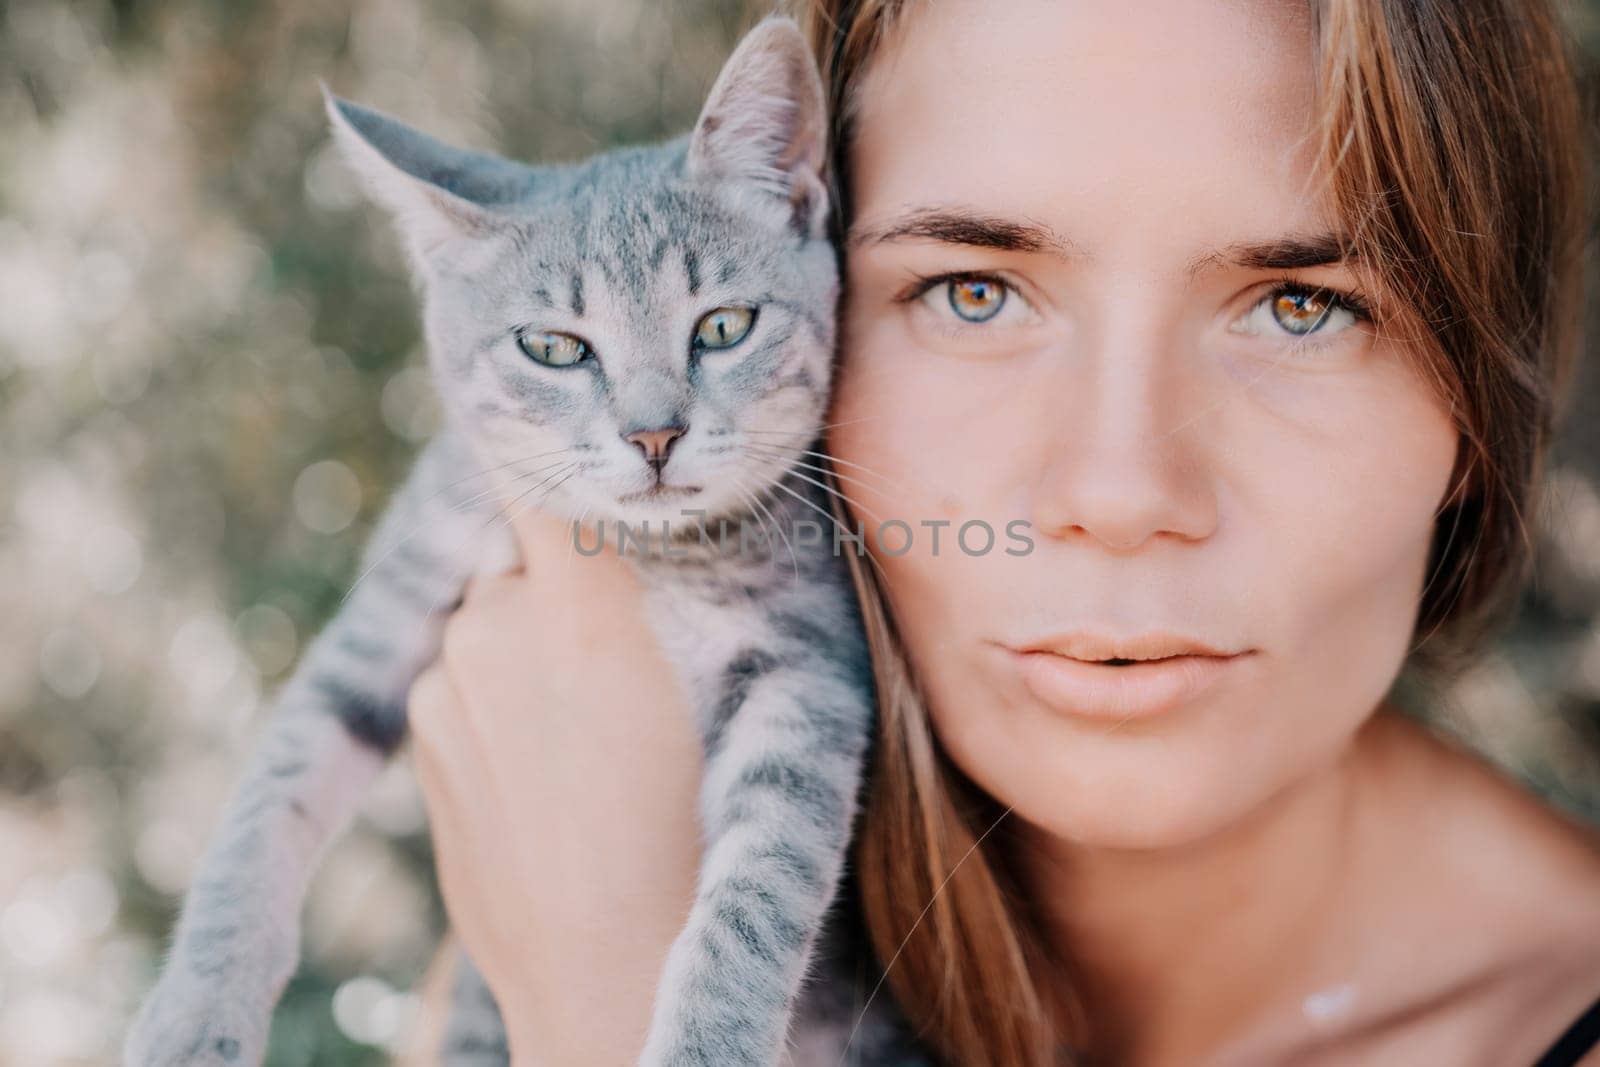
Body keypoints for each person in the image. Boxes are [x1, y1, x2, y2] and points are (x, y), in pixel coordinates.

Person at [404, 0, 1600, 1063]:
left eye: (1304, 306)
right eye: (971, 290)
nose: (1122, 492)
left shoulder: (613, 935)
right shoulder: (620, 855)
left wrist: (617, 1023)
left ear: (1477, 405)